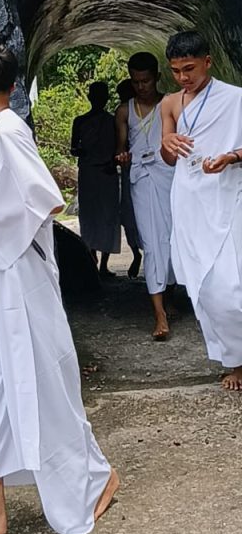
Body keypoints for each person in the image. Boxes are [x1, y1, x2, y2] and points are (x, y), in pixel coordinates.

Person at [0, 45, 119, 534]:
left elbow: (46, 199)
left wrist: (2, 235)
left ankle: (95, 476)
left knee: (40, 385)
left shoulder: (9, 132)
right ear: (13, 86)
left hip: (16, 279)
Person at [161, 31, 242, 390]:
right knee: (204, 287)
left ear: (207, 62)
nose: (183, 77)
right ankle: (234, 361)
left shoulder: (235, 98)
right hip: (189, 201)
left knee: (232, 286)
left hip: (228, 196)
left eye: (189, 69)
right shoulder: (170, 104)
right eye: (176, 71)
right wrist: (167, 141)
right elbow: (168, 158)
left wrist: (232, 156)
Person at [116, 54, 175, 339]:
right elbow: (120, 147)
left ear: (157, 78)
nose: (141, 87)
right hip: (141, 179)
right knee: (152, 244)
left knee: (173, 240)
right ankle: (159, 314)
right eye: (136, 82)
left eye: (146, 81)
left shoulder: (172, 104)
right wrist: (122, 156)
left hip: (170, 177)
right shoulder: (124, 111)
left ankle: (171, 294)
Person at [71, 81, 121, 278]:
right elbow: (73, 148)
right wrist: (82, 151)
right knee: (90, 216)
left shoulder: (113, 122)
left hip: (107, 173)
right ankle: (92, 258)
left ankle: (104, 265)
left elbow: (121, 146)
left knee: (108, 216)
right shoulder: (80, 121)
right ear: (90, 98)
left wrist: (112, 162)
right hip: (89, 174)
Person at [116, 79, 143, 279]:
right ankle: (136, 252)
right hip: (129, 171)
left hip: (152, 169)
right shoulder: (123, 113)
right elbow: (120, 146)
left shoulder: (159, 107)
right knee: (128, 215)